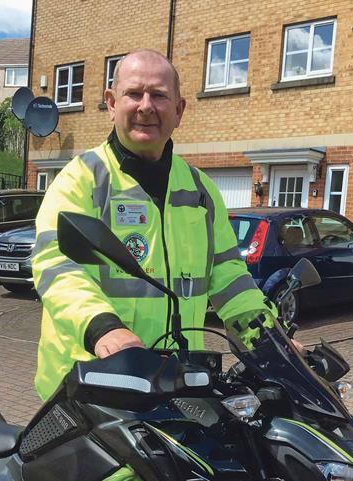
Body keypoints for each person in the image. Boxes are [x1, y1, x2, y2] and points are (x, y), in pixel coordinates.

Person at [31, 49, 280, 400]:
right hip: (91, 383)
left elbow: (231, 280)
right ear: (111, 102)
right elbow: (57, 267)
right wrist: (104, 329)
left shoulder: (199, 190)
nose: (146, 106)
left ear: (179, 111)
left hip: (177, 381)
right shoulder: (83, 180)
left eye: (159, 96)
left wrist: (270, 342)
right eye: (134, 93)